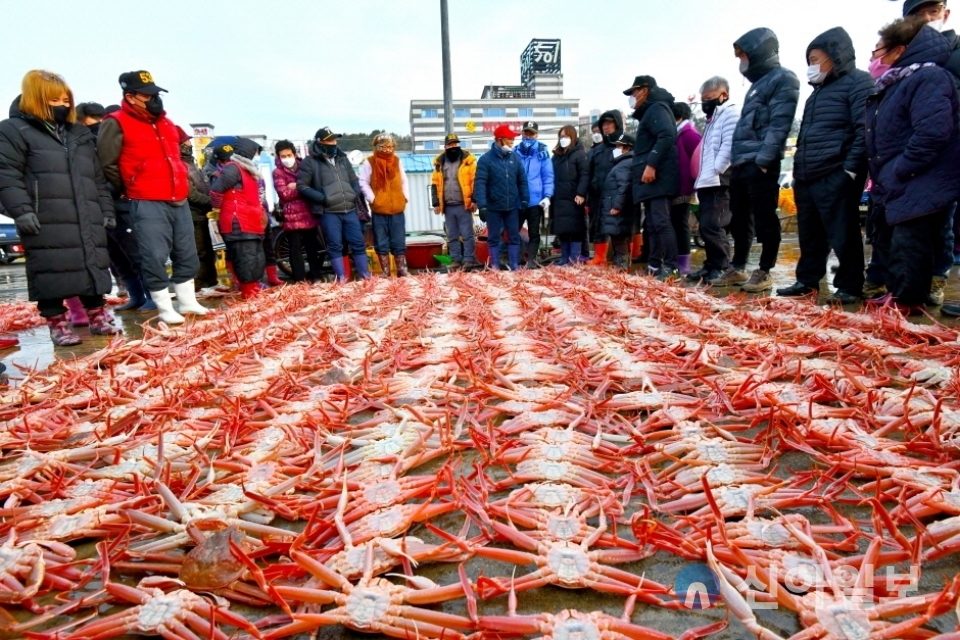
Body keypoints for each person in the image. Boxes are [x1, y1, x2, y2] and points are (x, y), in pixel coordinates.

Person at [0, 70, 120, 346]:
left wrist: (106, 210)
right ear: (38, 99)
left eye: (67, 100)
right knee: (51, 268)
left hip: (86, 211)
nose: (64, 105)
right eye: (56, 100)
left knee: (93, 264)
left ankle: (98, 315)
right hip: (46, 214)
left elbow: (96, 176)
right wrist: (21, 210)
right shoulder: (13, 130)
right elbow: (7, 174)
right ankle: (57, 323)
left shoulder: (77, 133)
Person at [865, 16, 960, 311]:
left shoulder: (928, 77)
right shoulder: (897, 83)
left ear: (899, 50)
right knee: (895, 239)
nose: (875, 57)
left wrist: (900, 168)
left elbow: (932, 132)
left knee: (911, 240)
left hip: (921, 176)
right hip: (901, 178)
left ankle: (907, 299)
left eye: (879, 50)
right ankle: (899, 292)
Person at [98, 71, 207, 324]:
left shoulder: (166, 123)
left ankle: (188, 301)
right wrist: (131, 184)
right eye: (148, 95)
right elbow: (108, 163)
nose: (154, 99)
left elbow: (176, 157)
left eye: (156, 94)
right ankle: (164, 307)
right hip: (146, 198)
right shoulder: (115, 122)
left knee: (186, 251)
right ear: (130, 96)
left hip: (177, 196)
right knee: (154, 254)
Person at [775, 27, 874, 304]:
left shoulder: (859, 82)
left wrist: (850, 170)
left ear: (835, 56)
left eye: (815, 59)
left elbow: (863, 129)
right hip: (807, 175)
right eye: (808, 61)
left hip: (836, 172)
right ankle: (807, 281)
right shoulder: (816, 94)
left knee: (843, 232)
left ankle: (850, 285)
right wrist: (797, 173)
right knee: (810, 233)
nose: (811, 66)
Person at [712, 28, 800, 291]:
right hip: (741, 163)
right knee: (739, 219)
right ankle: (737, 267)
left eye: (744, 56)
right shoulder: (755, 87)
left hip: (760, 163)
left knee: (764, 218)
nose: (742, 62)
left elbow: (779, 124)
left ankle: (765, 270)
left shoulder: (783, 79)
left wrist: (764, 160)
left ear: (759, 53)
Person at [904, 0, 960, 306]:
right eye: (917, 13)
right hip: (912, 156)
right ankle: (914, 284)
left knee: (944, 225)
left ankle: (938, 279)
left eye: (933, 11)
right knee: (914, 226)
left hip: (948, 155)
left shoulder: (957, 53)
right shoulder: (902, 62)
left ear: (945, 14)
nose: (927, 18)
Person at [297, 127, 372, 282]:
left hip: (350, 209)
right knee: (335, 245)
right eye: (330, 140)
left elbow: (353, 180)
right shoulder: (310, 162)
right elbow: (302, 186)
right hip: (329, 212)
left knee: (358, 242)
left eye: (335, 140)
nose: (334, 143)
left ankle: (366, 277)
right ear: (320, 142)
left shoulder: (342, 159)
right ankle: (341, 279)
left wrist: (353, 194)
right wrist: (323, 198)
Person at [624, 75, 681, 280]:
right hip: (648, 181)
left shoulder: (657, 108)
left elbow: (666, 135)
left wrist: (651, 165)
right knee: (651, 223)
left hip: (658, 177)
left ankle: (671, 266)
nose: (632, 97)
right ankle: (655, 265)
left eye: (634, 92)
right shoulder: (648, 112)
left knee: (661, 221)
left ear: (645, 90)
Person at [688, 77, 739, 283]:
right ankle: (710, 265)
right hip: (707, 180)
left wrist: (717, 170)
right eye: (703, 100)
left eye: (709, 98)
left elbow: (729, 146)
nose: (706, 103)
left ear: (723, 95)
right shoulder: (712, 120)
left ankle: (721, 266)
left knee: (714, 225)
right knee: (705, 226)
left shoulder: (730, 114)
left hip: (720, 179)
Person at [210, 140, 268, 300]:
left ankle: (254, 288)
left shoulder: (248, 171)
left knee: (256, 258)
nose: (257, 156)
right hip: (239, 224)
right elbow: (216, 191)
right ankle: (248, 292)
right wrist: (219, 210)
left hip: (252, 222)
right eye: (256, 153)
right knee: (245, 259)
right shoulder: (233, 169)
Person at [474, 124, 528, 270]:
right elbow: (480, 184)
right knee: (493, 238)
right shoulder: (485, 160)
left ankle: (514, 264)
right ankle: (495, 265)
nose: (512, 141)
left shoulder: (514, 159)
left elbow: (522, 181)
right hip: (493, 207)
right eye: (509, 138)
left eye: (512, 138)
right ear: (499, 140)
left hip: (511, 207)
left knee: (513, 236)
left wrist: (524, 199)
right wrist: (482, 205)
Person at [359, 133, 410, 277]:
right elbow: (363, 182)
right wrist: (373, 199)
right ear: (377, 147)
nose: (387, 149)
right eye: (383, 146)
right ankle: (385, 271)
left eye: (390, 146)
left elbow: (404, 180)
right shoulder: (369, 162)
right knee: (381, 241)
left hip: (397, 208)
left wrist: (404, 196)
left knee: (399, 240)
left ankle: (401, 269)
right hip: (379, 209)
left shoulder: (397, 161)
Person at [273, 140, 323, 282]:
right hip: (291, 215)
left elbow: (313, 186)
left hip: (308, 212)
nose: (287, 158)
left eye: (289, 155)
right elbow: (284, 194)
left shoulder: (304, 166)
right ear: (278, 157)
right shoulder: (277, 172)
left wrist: (297, 186)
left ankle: (316, 276)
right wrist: (304, 189)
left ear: (294, 154)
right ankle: (300, 279)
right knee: (295, 250)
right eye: (283, 156)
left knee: (312, 247)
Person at [431, 133, 479, 269]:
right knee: (451, 235)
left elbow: (475, 182)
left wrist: (475, 200)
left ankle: (469, 259)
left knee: (467, 234)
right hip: (448, 206)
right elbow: (434, 184)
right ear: (445, 146)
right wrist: (436, 203)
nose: (453, 146)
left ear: (459, 145)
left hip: (464, 204)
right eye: (450, 144)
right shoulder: (439, 164)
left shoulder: (468, 162)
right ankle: (455, 259)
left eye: (455, 144)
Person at [179, 131, 218, 292]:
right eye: (186, 141)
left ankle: (211, 282)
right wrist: (211, 202)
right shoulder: (181, 166)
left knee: (208, 251)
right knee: (199, 252)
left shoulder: (192, 164)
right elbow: (191, 195)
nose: (190, 144)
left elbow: (203, 185)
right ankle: (200, 286)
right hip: (191, 215)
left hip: (201, 215)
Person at [514, 121, 554, 268]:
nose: (528, 136)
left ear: (537, 135)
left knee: (534, 232)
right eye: (526, 133)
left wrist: (547, 195)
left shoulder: (542, 153)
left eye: (531, 133)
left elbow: (547, 176)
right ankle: (517, 258)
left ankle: (531, 260)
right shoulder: (514, 151)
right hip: (517, 200)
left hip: (535, 200)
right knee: (513, 231)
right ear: (522, 133)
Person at [587, 111, 624, 264]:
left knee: (619, 226)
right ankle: (599, 257)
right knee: (598, 225)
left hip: (618, 194)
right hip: (597, 195)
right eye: (603, 124)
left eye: (609, 123)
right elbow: (588, 173)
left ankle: (622, 258)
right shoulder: (596, 151)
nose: (606, 127)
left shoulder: (624, 146)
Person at [550, 124, 589, 265]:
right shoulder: (556, 157)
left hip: (574, 198)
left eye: (566, 136)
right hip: (559, 198)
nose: (563, 139)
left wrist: (581, 193)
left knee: (575, 229)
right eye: (561, 136)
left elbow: (585, 175)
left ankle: (574, 258)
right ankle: (564, 258)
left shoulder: (579, 155)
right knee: (563, 229)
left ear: (572, 137)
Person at [671, 102, 703, 275]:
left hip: (685, 188)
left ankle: (684, 263)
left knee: (681, 223)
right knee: (676, 223)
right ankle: (678, 260)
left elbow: (699, 158)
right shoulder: (678, 134)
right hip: (676, 186)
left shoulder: (689, 134)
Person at [599, 133, 638, 270]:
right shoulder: (624, 163)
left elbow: (624, 186)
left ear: (627, 148)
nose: (616, 148)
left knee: (618, 236)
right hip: (620, 208)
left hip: (617, 209)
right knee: (621, 236)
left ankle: (621, 265)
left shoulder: (624, 165)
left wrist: (617, 206)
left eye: (619, 146)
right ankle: (623, 264)